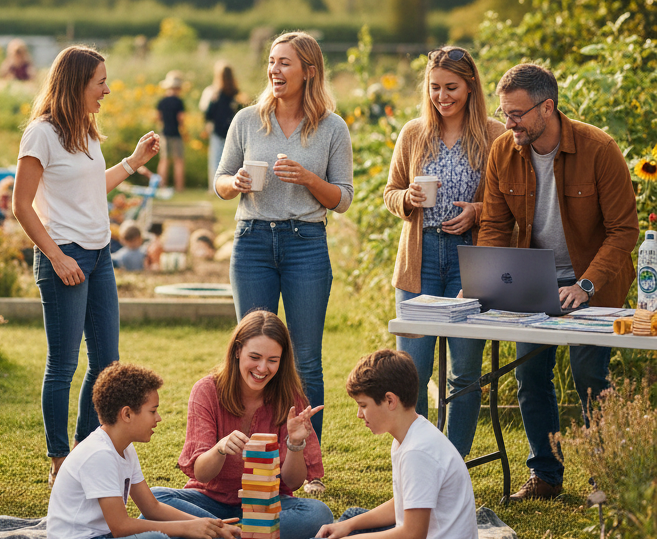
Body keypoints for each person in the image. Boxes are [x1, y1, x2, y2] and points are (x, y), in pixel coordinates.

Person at [477, 63, 638, 500]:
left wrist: (584, 285)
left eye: (516, 114)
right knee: (530, 376)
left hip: (593, 283)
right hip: (535, 283)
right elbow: (493, 223)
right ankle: (546, 475)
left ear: (547, 108)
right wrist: (490, 282)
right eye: (504, 112)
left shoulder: (598, 148)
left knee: (589, 376)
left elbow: (625, 230)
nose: (507, 122)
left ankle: (603, 479)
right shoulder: (503, 151)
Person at [13, 46, 160, 486]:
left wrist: (133, 163)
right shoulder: (40, 134)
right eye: (100, 81)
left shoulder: (86, 130)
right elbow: (22, 206)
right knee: (63, 364)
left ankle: (84, 446)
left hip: (99, 256)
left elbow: (93, 183)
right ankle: (60, 458)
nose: (107, 89)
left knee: (107, 363)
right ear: (77, 83)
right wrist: (56, 257)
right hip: (65, 257)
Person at [214, 31, 353, 462]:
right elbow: (219, 182)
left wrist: (309, 180)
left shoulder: (332, 128)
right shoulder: (246, 120)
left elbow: (343, 198)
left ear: (309, 71)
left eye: (285, 63)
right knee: (249, 354)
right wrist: (232, 184)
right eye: (272, 62)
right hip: (252, 240)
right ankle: (249, 455)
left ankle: (305, 461)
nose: (275, 69)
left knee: (306, 359)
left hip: (305, 244)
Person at [383, 47, 506, 457]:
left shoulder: (494, 135)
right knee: (411, 372)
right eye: (435, 88)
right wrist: (408, 198)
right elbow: (390, 193)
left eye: (451, 87)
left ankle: (453, 461)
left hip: (470, 260)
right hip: (420, 258)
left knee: (465, 372)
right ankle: (412, 458)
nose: (442, 96)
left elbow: (511, 202)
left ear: (470, 86)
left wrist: (478, 211)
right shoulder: (414, 133)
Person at [289, 349, 478, 539]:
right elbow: (403, 503)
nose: (359, 415)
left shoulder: (417, 452)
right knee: (350, 518)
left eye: (363, 405)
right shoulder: (407, 437)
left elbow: (412, 537)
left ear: (390, 401)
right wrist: (348, 529)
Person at [47, 362, 243, 539]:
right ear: (127, 414)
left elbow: (152, 507)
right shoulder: (98, 454)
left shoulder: (124, 448)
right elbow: (121, 528)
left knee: (172, 515)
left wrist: (207, 524)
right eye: (153, 411)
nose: (158, 418)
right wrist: (189, 528)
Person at [152, 311, 334, 539]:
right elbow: (201, 474)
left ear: (282, 360)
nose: (262, 368)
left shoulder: (290, 397)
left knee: (318, 515)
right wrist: (220, 449)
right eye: (255, 357)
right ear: (238, 350)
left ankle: (219, 537)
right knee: (156, 498)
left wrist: (295, 444)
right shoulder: (207, 391)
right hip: (209, 501)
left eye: (272, 360)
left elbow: (293, 482)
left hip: (266, 507)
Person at [199, 60, 242, 192]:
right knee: (234, 160)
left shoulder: (215, 94)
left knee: (216, 160)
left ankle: (215, 187)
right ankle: (233, 185)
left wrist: (206, 126)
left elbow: (208, 113)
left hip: (218, 131)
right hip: (233, 132)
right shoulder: (236, 94)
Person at [156, 71, 186, 192]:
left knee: (164, 160)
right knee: (178, 161)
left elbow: (158, 117)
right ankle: (179, 187)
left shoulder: (162, 101)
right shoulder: (179, 102)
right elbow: (181, 118)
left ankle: (161, 186)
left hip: (164, 133)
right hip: (176, 133)